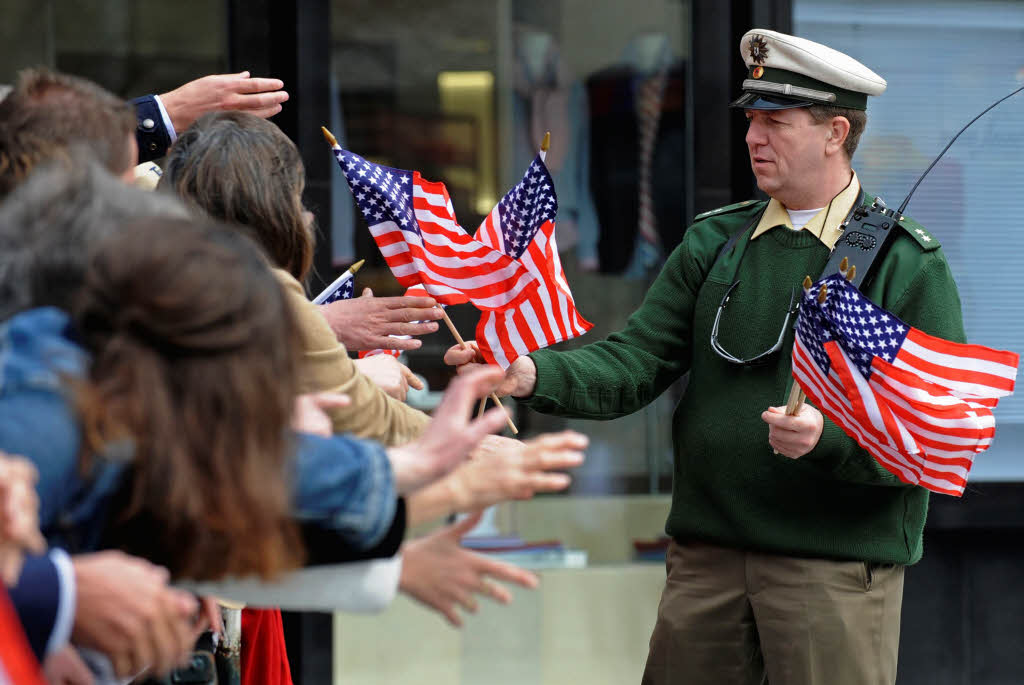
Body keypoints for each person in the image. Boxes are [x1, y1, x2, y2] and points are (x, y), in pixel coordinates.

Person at [446, 29, 966, 685]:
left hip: (829, 568)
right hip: (706, 562)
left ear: (836, 132)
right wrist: (529, 372)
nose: (754, 137)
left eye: (776, 121)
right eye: (751, 119)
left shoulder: (903, 261)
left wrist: (827, 440)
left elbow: (934, 436)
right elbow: (634, 362)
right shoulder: (716, 241)